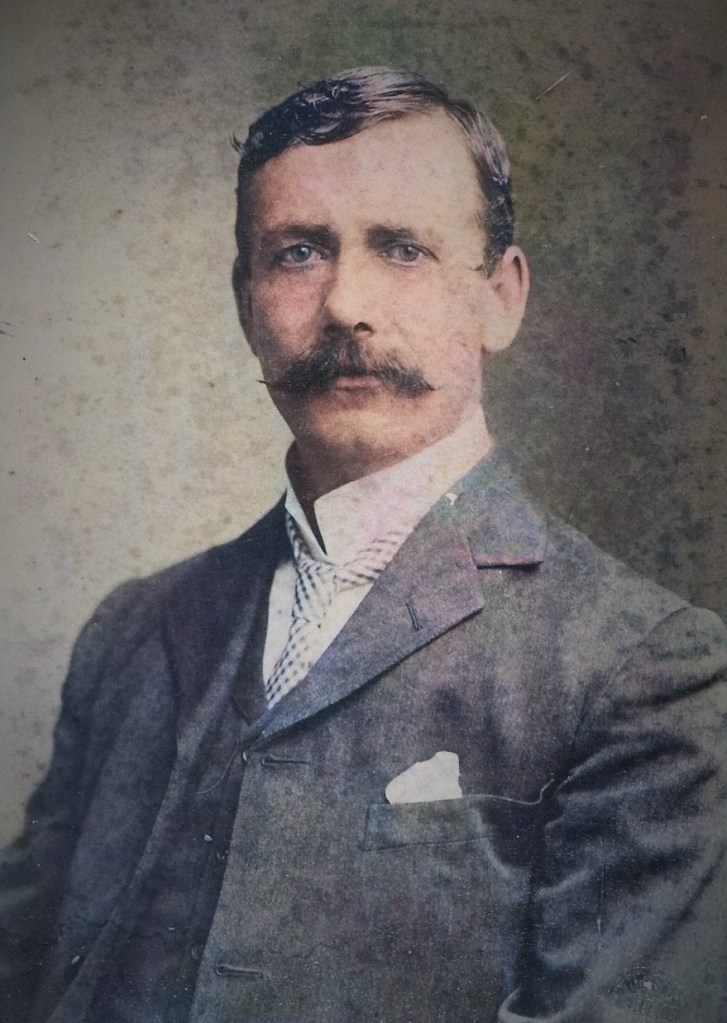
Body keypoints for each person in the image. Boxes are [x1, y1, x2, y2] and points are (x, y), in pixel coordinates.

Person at [1, 66, 726, 1023]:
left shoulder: (643, 668)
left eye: (402, 249)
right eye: (298, 252)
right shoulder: (132, 630)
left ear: (500, 297)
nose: (346, 303)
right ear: (245, 301)